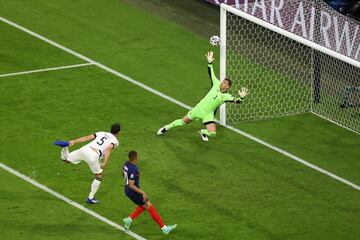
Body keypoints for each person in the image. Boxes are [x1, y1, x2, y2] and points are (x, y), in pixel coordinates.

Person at [157, 51, 249, 141]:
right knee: (183, 122)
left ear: (228, 87)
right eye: (222, 81)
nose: (222, 82)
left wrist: (241, 97)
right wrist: (210, 63)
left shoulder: (226, 96)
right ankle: (166, 127)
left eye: (224, 82)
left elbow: (237, 101)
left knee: (213, 133)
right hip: (198, 109)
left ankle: (203, 132)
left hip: (208, 115)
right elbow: (211, 73)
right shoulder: (216, 84)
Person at [53, 123, 121, 204]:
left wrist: (74, 141)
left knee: (66, 160)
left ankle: (65, 147)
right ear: (118, 132)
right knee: (99, 175)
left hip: (84, 149)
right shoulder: (115, 141)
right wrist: (105, 162)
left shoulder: (102, 133)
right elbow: (109, 149)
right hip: (93, 155)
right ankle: (90, 198)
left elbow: (87, 137)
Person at [122, 151, 177, 235]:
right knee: (150, 207)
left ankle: (128, 220)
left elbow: (123, 173)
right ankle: (164, 228)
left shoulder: (126, 163)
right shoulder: (134, 169)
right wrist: (142, 192)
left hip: (128, 190)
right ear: (136, 158)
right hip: (133, 191)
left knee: (144, 205)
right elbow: (131, 185)